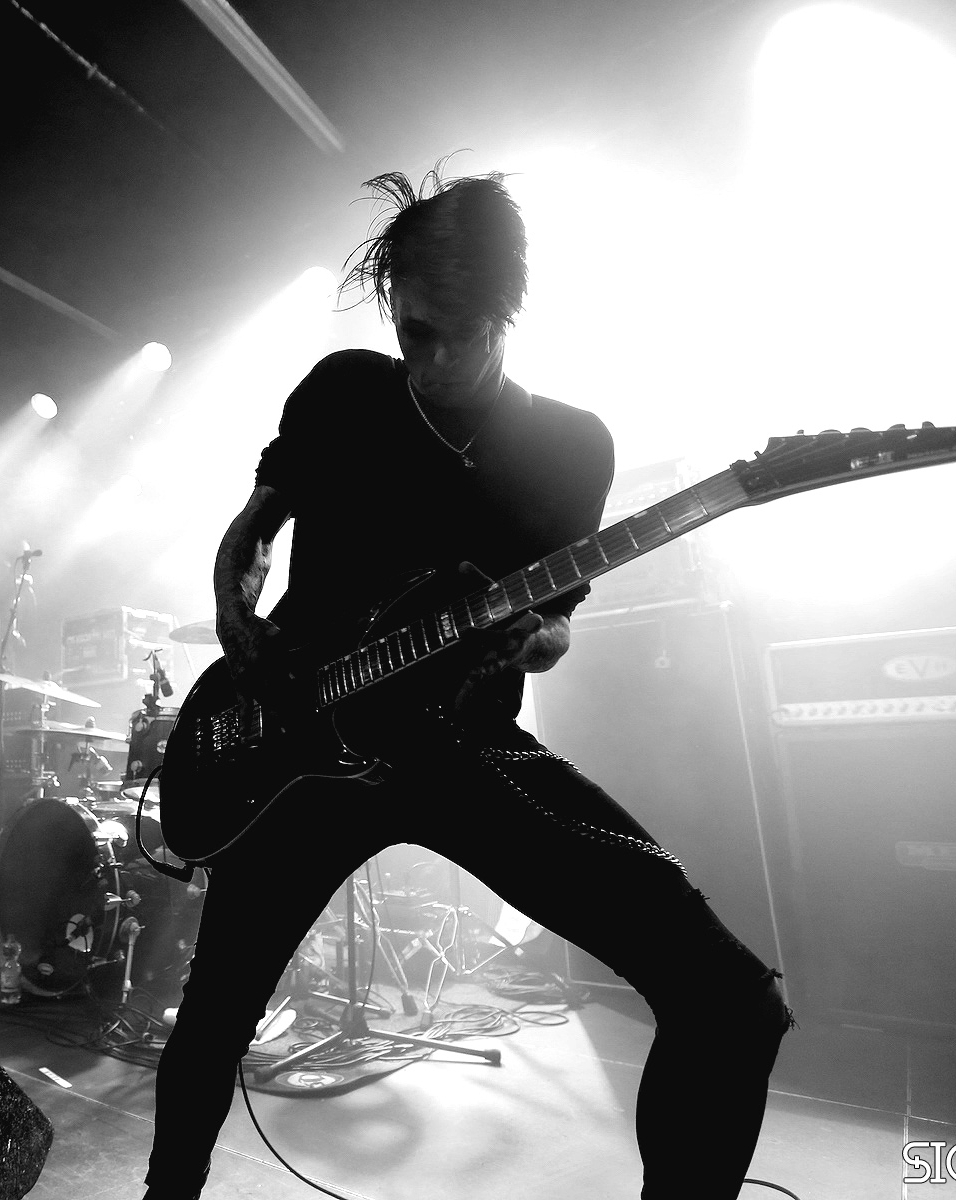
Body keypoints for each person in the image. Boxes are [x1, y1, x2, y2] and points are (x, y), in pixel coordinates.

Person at [144, 169, 793, 1199]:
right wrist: (235, 615)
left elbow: (557, 625)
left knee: (732, 1000)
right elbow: (254, 529)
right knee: (215, 1016)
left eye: (464, 335)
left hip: (461, 746)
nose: (435, 361)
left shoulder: (571, 446)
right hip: (298, 742)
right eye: (415, 333)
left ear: (509, 311)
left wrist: (531, 642)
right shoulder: (343, 391)